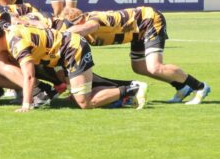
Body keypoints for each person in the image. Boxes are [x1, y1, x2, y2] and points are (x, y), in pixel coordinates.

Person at [0, 22, 147, 111]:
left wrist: (26, 104)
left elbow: (29, 77)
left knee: (84, 102)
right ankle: (124, 93)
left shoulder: (16, 44)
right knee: (76, 95)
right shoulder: (8, 32)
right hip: (62, 53)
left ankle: (131, 89)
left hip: (73, 50)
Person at [63, 7, 211, 105]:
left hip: (149, 21)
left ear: (78, 22)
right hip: (137, 33)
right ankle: (182, 87)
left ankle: (200, 87)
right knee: (139, 67)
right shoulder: (84, 27)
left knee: (155, 67)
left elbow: (91, 26)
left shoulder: (91, 20)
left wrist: (64, 34)